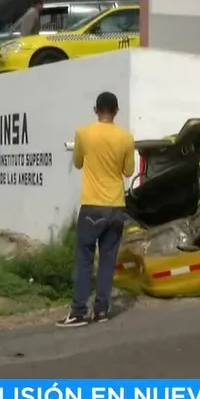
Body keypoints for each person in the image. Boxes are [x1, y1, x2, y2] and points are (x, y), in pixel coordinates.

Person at [58, 92, 135, 328]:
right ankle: (101, 310)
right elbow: (129, 171)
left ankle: (79, 312)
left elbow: (78, 162)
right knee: (108, 261)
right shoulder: (126, 137)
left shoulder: (83, 133)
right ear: (116, 111)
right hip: (116, 206)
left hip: (92, 206)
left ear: (95, 109)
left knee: (84, 259)